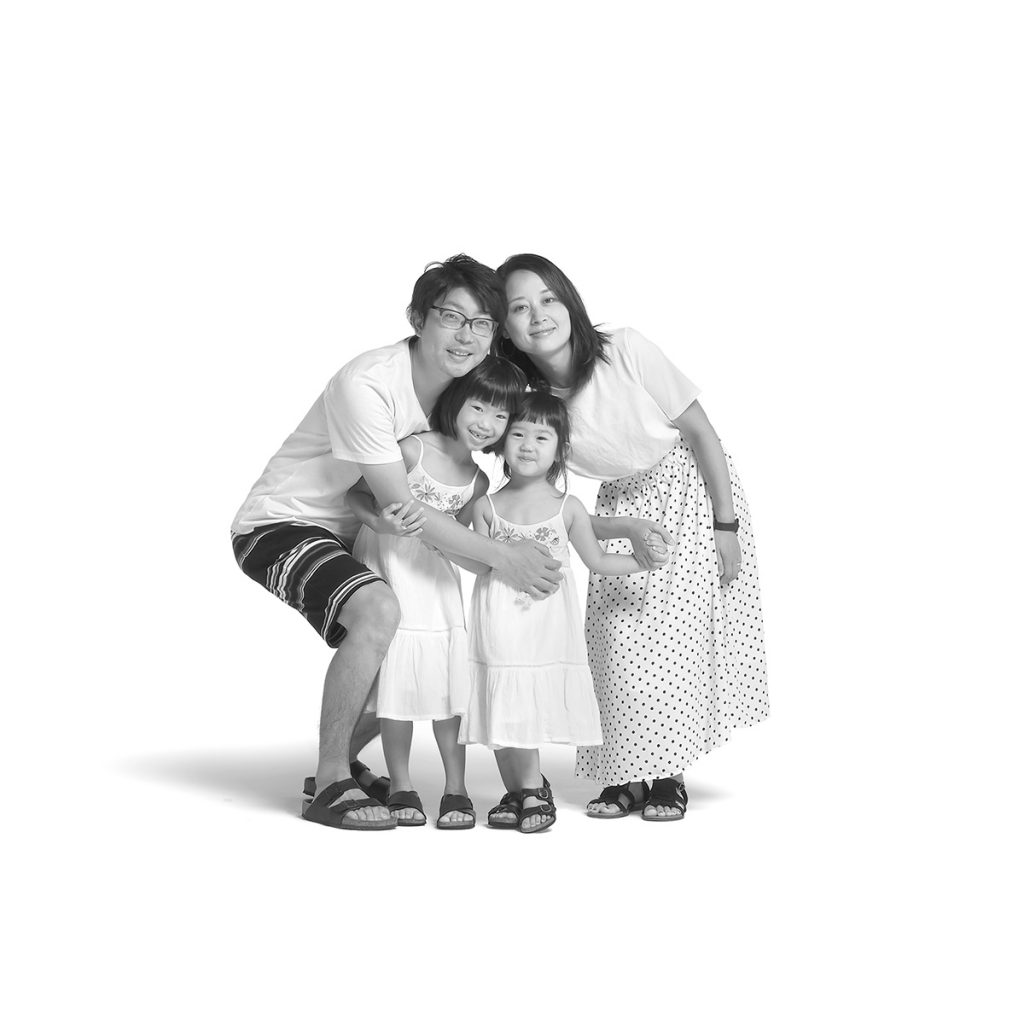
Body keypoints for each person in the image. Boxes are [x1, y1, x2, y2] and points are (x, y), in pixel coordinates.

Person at [231, 255, 562, 832]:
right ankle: (330, 781)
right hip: (283, 523)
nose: (466, 335)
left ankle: (344, 764)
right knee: (380, 612)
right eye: (451, 317)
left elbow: (536, 412)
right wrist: (503, 557)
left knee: (413, 651)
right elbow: (401, 507)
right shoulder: (367, 384)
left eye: (481, 323)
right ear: (417, 317)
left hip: (363, 534)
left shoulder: (467, 386)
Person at [496, 254, 768, 823]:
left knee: (675, 644)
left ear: (568, 300)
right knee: (615, 642)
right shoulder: (531, 399)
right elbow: (549, 499)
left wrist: (725, 526)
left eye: (548, 299)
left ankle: (667, 777)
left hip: (690, 487)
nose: (538, 315)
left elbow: (701, 432)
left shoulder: (624, 349)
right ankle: (625, 774)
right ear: (506, 327)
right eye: (519, 307)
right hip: (621, 504)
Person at [458, 393, 658, 834]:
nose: (528, 445)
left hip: (545, 628)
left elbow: (597, 560)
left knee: (526, 703)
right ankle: (520, 790)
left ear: (560, 450)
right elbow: (479, 563)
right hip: (499, 622)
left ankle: (531, 789)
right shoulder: (486, 506)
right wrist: (442, 545)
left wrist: (640, 561)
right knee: (502, 698)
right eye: (518, 434)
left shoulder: (567, 508)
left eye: (541, 437)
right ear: (502, 443)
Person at [344, 357, 527, 829]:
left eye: (501, 415)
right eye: (478, 407)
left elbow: (458, 541)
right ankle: (401, 784)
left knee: (449, 684)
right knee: (398, 681)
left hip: (436, 581)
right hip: (391, 568)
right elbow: (356, 496)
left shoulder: (479, 481)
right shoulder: (412, 450)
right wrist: (378, 522)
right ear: (456, 401)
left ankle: (455, 786)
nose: (486, 423)